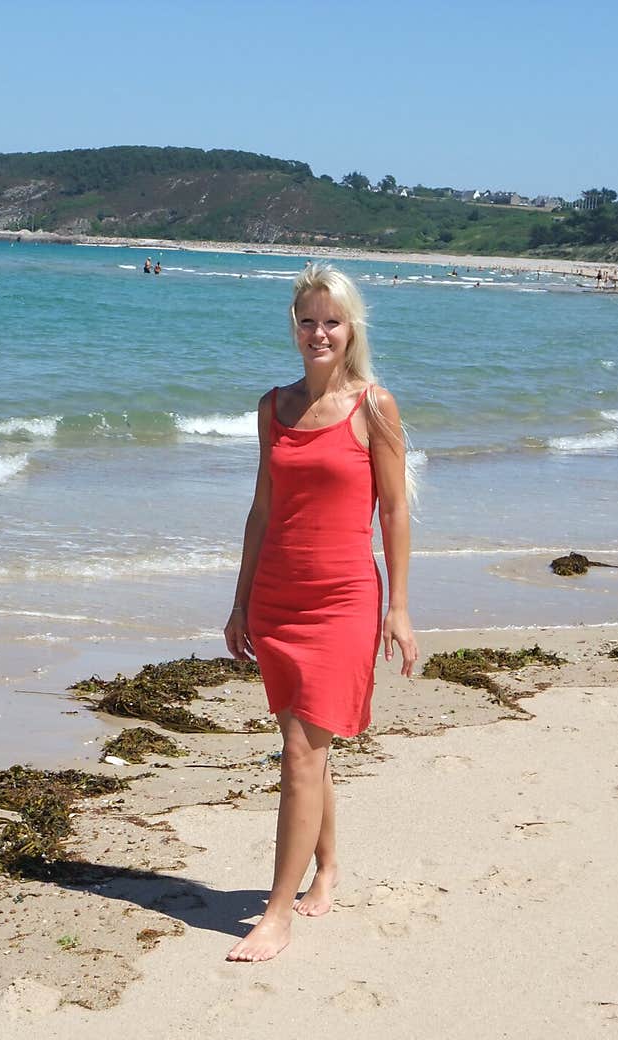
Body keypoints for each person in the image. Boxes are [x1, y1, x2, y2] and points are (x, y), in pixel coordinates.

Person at [223, 264, 418, 962]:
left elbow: (394, 510)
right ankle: (328, 867)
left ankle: (277, 912)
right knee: (311, 747)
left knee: (302, 751)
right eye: (307, 319)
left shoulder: (375, 407)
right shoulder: (272, 407)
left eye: (331, 320)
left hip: (342, 602)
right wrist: (241, 600)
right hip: (278, 597)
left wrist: (399, 606)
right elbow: (262, 509)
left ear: (351, 328)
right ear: (294, 327)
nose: (319, 332)